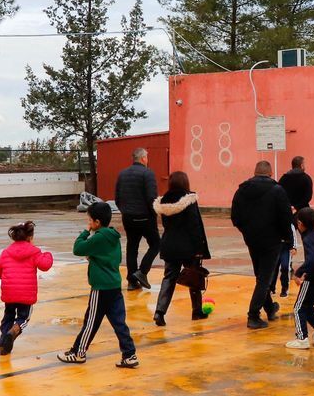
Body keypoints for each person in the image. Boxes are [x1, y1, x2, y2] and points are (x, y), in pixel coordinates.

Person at [58, 202, 138, 368]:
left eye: (90, 220)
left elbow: (78, 248)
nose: (88, 223)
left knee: (90, 322)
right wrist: (95, 257)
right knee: (119, 323)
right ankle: (129, 354)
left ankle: (78, 352)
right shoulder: (113, 236)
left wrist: (85, 232)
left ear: (97, 222)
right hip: (114, 285)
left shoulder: (99, 237)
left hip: (101, 287)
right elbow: (113, 258)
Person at [231, 160, 294, 329]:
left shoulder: (242, 190)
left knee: (261, 276)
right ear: (270, 173)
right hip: (272, 240)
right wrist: (288, 238)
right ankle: (253, 315)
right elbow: (286, 217)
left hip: (251, 239)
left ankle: (270, 308)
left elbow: (235, 217)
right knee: (265, 278)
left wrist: (246, 230)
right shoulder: (277, 191)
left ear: (255, 172)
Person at [151, 171, 211, 326]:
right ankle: (197, 311)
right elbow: (194, 226)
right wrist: (200, 249)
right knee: (194, 277)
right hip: (188, 246)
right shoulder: (189, 199)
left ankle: (159, 312)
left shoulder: (164, 201)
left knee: (169, 278)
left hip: (169, 245)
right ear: (185, 182)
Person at [0, 220, 54, 355]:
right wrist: (48, 255)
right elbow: (45, 265)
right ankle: (14, 330)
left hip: (9, 292)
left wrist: (6, 278)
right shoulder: (34, 252)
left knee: (8, 316)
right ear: (30, 237)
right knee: (24, 318)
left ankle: (3, 343)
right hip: (26, 295)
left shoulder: (6, 252)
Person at [285, 207, 314, 350]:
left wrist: (298, 273)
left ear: (300, 224)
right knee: (307, 304)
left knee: (298, 307)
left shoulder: (308, 239)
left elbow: (313, 259)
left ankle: (302, 338)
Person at [114, 148, 158, 291]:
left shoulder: (122, 174)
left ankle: (132, 281)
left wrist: (125, 211)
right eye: (147, 157)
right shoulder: (148, 173)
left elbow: (117, 197)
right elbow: (151, 198)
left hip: (128, 217)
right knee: (156, 244)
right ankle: (142, 271)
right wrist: (154, 214)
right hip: (145, 217)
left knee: (132, 247)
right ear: (143, 158)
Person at [276, 156, 313, 296]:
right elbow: (308, 196)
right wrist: (297, 207)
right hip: (302, 212)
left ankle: (288, 264)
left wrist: (289, 207)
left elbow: (279, 194)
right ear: (301, 165)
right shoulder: (306, 178)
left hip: (286, 212)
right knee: (307, 238)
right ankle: (309, 262)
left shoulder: (284, 179)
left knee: (287, 238)